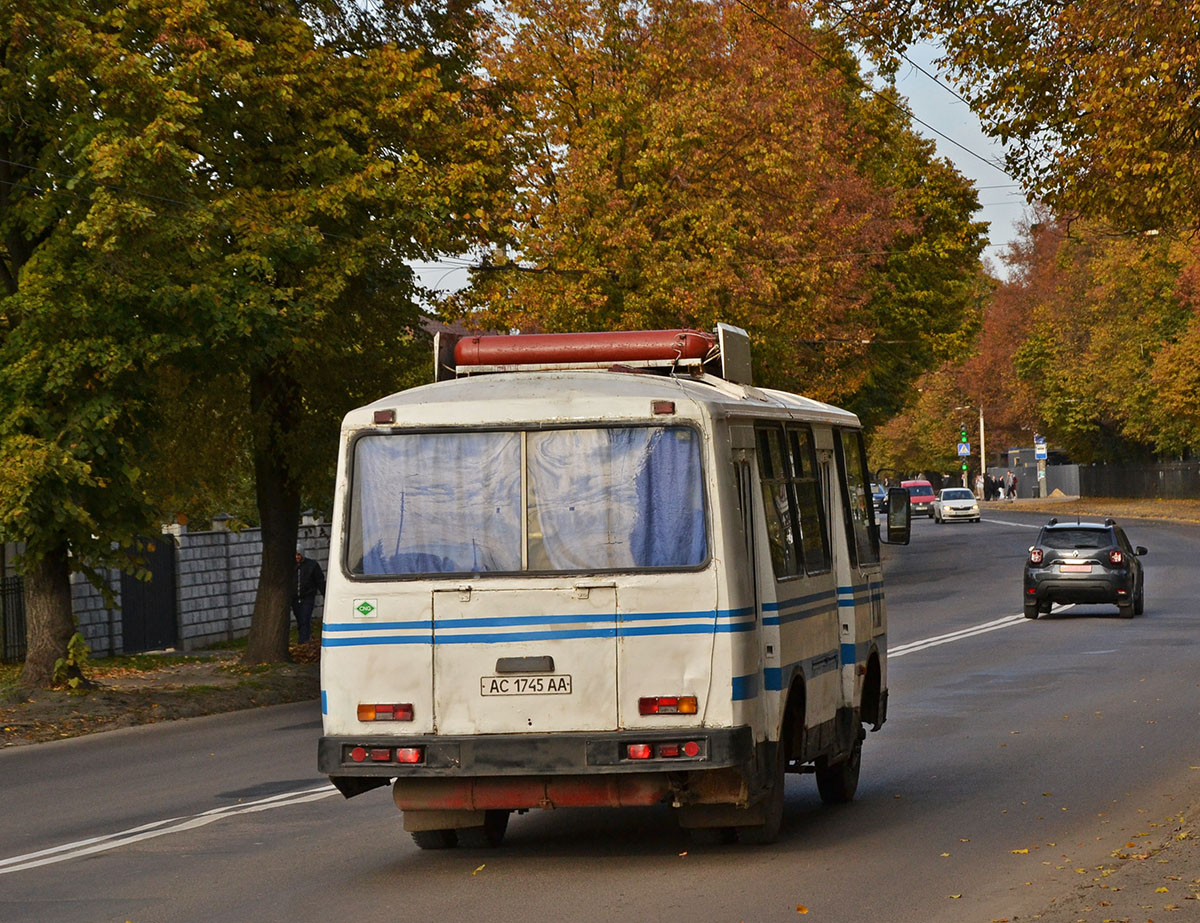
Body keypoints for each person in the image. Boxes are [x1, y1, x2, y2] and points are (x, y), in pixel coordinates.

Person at [293, 550, 326, 644]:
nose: (297, 557)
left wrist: (325, 595)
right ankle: (304, 637)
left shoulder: (312, 565)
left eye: (298, 554)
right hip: (295, 598)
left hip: (307, 597)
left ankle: (303, 641)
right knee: (300, 619)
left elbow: (320, 581)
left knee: (305, 618)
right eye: (295, 555)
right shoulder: (291, 566)